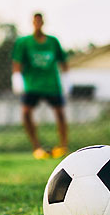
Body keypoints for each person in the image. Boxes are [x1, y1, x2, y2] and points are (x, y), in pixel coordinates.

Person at [11, 13, 70, 159]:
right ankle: (36, 147)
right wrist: (17, 78)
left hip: (51, 84)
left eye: (40, 21)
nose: (37, 23)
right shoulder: (24, 42)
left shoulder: (53, 41)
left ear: (43, 22)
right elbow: (17, 62)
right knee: (26, 113)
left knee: (60, 114)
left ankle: (63, 147)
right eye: (35, 21)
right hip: (32, 84)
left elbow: (63, 61)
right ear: (32, 23)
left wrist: (67, 79)